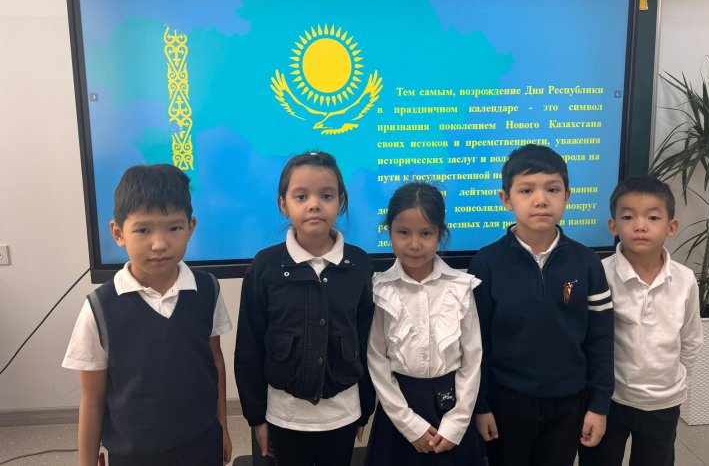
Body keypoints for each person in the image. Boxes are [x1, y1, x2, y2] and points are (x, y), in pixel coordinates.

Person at [63, 164, 233, 466]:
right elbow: (92, 399)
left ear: (191, 227)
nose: (159, 244)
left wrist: (223, 428)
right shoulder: (100, 308)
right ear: (118, 233)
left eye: (174, 228)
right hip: (134, 455)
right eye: (143, 230)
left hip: (202, 443)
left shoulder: (207, 289)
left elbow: (214, 361)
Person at [470, 143, 615, 466]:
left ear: (567, 196)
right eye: (526, 190)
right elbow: (477, 344)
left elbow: (601, 341)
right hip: (506, 403)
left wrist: (599, 404)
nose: (540, 199)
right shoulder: (487, 263)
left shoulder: (587, 263)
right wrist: (480, 405)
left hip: (569, 403)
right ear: (506, 199)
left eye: (552, 189)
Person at [234, 151, 375, 466]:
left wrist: (366, 408)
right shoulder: (265, 267)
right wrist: (256, 418)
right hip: (285, 417)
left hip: (343, 415)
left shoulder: (358, 264)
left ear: (341, 201)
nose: (314, 204)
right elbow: (249, 349)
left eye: (326, 195)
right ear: (283, 204)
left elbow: (368, 342)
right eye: (301, 196)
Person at [578, 175, 703, 466]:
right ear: (613, 226)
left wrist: (678, 380)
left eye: (653, 217)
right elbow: (587, 339)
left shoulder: (685, 279)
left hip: (663, 402)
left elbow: (691, 339)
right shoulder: (600, 274)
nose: (640, 225)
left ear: (671, 227)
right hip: (610, 400)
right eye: (628, 217)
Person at [366, 182, 484, 466]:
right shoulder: (380, 289)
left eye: (426, 233)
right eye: (403, 232)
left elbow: (472, 358)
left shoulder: (460, 287)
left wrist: (457, 423)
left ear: (440, 234)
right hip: (399, 411)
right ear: (389, 232)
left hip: (452, 407)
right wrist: (409, 424)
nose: (415, 244)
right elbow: (376, 360)